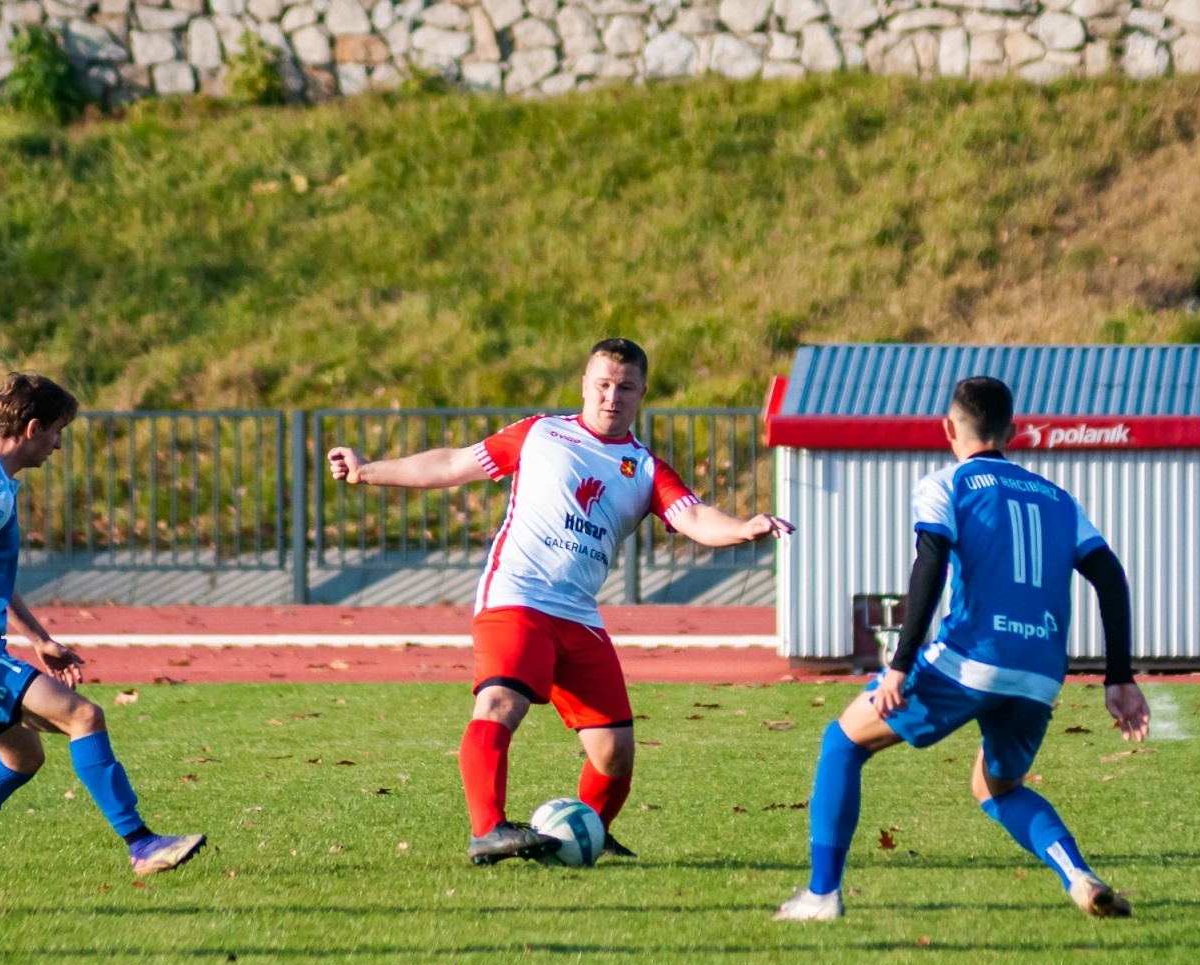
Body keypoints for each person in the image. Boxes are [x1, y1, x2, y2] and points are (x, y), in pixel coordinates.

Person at [328, 339, 795, 865]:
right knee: (501, 703)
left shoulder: (644, 470)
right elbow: (454, 463)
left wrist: (743, 528)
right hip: (517, 597)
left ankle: (591, 832)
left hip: (577, 614)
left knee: (615, 752)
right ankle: (487, 830)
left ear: (642, 394)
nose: (611, 397)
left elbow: (692, 516)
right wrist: (368, 470)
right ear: (585, 384)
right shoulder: (540, 433)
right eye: (602, 384)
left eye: (625, 387)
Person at [776, 376, 1149, 921]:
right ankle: (1079, 876)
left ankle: (821, 896)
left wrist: (900, 665)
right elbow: (1110, 577)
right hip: (1041, 672)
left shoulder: (946, 484)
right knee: (996, 788)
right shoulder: (1060, 500)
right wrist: (1120, 677)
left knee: (841, 744)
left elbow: (929, 564)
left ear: (948, 427)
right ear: (1014, 433)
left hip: (970, 658)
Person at [0, 373, 206, 875]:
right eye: (57, 432)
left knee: (23, 759)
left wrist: (39, 640)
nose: (59, 444)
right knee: (84, 718)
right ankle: (142, 845)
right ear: (32, 427)